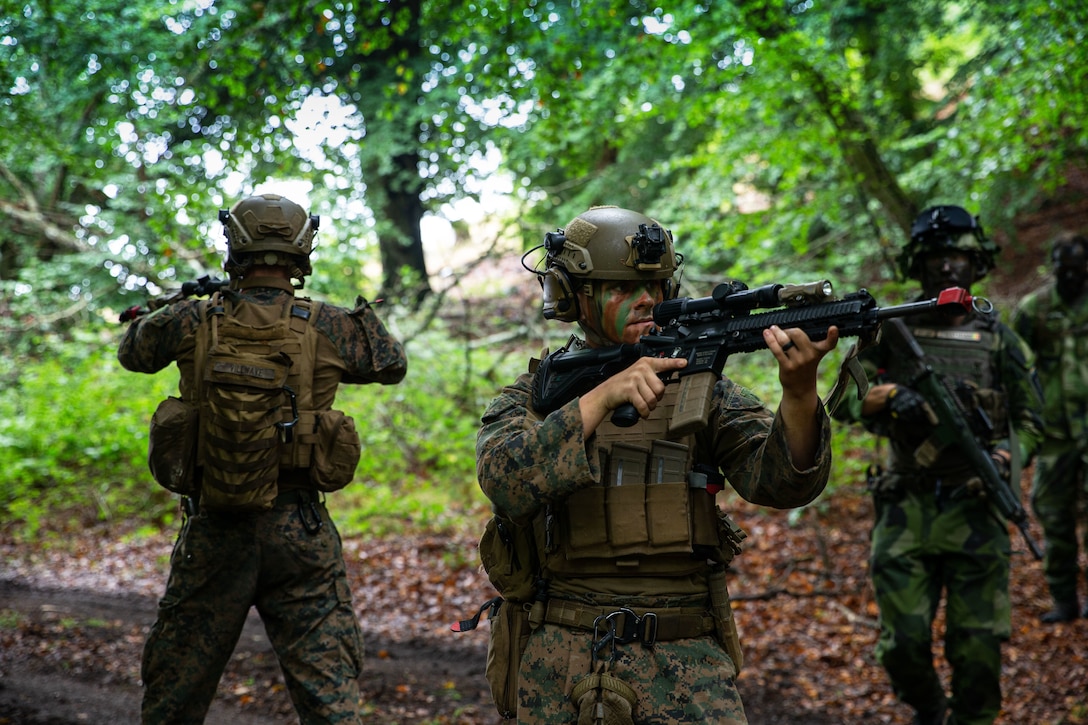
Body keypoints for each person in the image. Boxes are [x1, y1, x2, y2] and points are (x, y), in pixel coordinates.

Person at [475, 205, 840, 724]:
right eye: (622, 288)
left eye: (657, 287)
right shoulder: (533, 398)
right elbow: (504, 481)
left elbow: (780, 482)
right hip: (564, 659)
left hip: (687, 659)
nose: (647, 300)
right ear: (576, 296)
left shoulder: (701, 390)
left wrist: (800, 393)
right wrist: (601, 400)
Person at [118, 192, 408, 724]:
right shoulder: (329, 325)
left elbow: (133, 351)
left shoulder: (191, 320)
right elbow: (390, 364)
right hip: (299, 527)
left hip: (213, 530)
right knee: (330, 701)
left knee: (173, 697)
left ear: (235, 245)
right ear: (302, 248)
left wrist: (178, 304)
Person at [837, 205, 1044, 725]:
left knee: (978, 655)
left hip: (977, 509)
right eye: (936, 258)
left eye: (958, 257)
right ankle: (929, 710)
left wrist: (1004, 456)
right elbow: (841, 404)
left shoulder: (1000, 339)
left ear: (977, 264)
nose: (948, 268)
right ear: (919, 266)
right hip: (905, 508)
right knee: (902, 645)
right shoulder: (889, 329)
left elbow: (1032, 421)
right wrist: (887, 398)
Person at [1012, 230, 1088, 623]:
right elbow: (1013, 364)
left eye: (1077, 269)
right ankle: (1064, 598)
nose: (1070, 277)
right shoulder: (1034, 308)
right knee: (1054, 515)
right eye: (1063, 269)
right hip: (1055, 434)